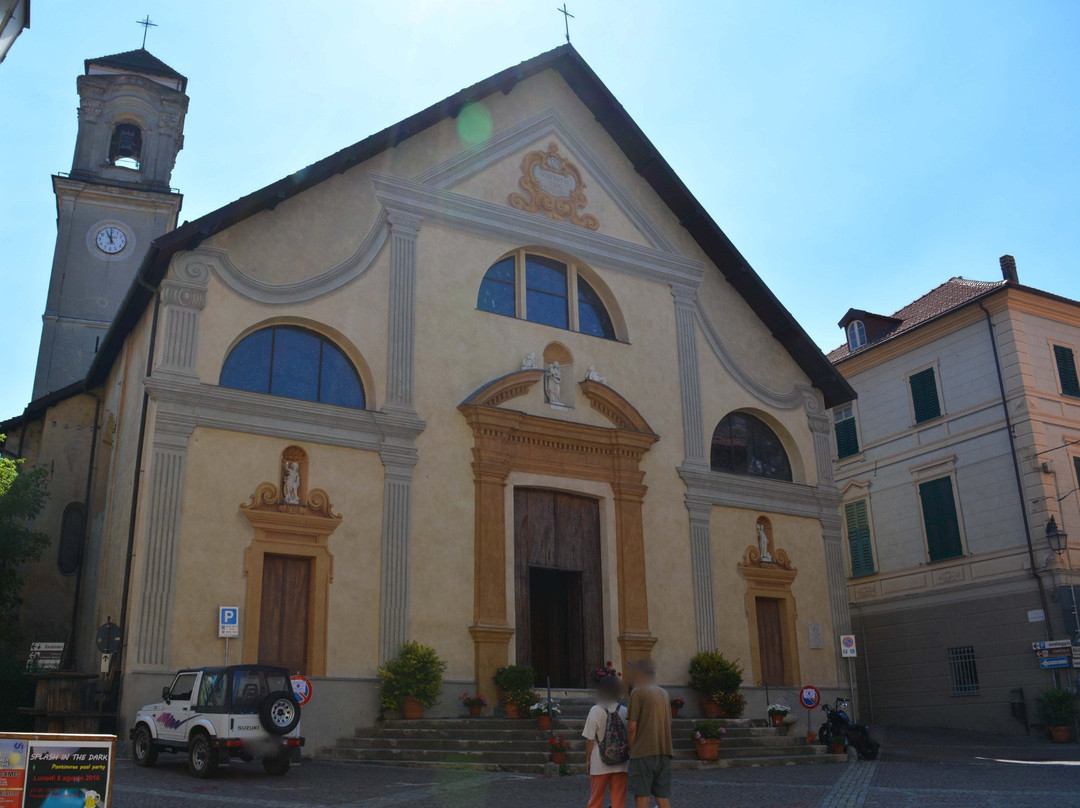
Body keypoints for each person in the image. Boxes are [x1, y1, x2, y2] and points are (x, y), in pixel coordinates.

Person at [626, 659, 673, 808]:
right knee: (662, 796)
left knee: (642, 796)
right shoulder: (664, 693)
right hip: (664, 750)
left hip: (643, 752)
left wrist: (631, 748)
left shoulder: (638, 691)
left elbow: (632, 726)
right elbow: (669, 722)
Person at [582, 675, 628, 808]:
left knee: (595, 800)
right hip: (621, 763)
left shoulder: (595, 710)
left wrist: (587, 759)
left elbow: (590, 740)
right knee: (618, 801)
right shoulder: (624, 711)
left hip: (599, 763)